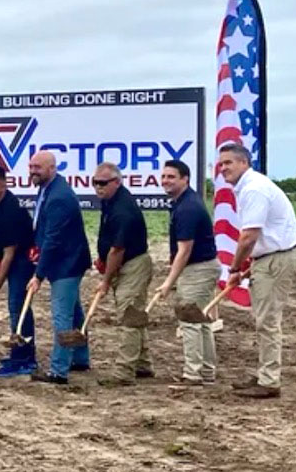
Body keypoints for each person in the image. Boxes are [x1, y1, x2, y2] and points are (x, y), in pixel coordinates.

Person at [218, 143, 296, 399]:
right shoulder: (248, 187)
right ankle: (265, 372)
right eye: (221, 164)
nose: (223, 169)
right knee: (263, 318)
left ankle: (269, 381)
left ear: (244, 163)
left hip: (276, 259)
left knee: (267, 320)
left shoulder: (254, 189)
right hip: (269, 257)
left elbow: (248, 236)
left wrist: (235, 269)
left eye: (229, 163)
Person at [25, 151, 92, 385]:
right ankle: (81, 358)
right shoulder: (48, 189)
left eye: (38, 167)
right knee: (74, 312)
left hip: (66, 263)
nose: (33, 171)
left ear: (52, 168)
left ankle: (58, 371)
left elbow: (53, 239)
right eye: (31, 166)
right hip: (65, 261)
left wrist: (38, 275)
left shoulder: (59, 197)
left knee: (62, 316)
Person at [156, 160, 219, 386]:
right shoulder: (182, 203)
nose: (165, 181)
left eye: (171, 177)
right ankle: (207, 372)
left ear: (185, 179)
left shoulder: (188, 208)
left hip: (198, 269)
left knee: (190, 321)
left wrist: (168, 282)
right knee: (200, 321)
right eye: (163, 176)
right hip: (201, 267)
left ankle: (193, 374)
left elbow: (184, 250)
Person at [92, 162, 154, 387]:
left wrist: (106, 281)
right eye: (95, 183)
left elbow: (117, 250)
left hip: (133, 265)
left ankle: (124, 371)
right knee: (134, 313)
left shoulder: (123, 209)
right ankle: (143, 364)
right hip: (123, 264)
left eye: (103, 183)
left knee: (129, 316)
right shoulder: (110, 201)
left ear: (116, 182)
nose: (98, 187)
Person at [0, 164, 37, 378]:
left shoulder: (12, 209)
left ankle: (24, 359)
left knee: (17, 306)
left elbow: (10, 252)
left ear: (4, 185)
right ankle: (19, 354)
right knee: (15, 306)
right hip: (8, 256)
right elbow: (0, 245)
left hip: (23, 260)